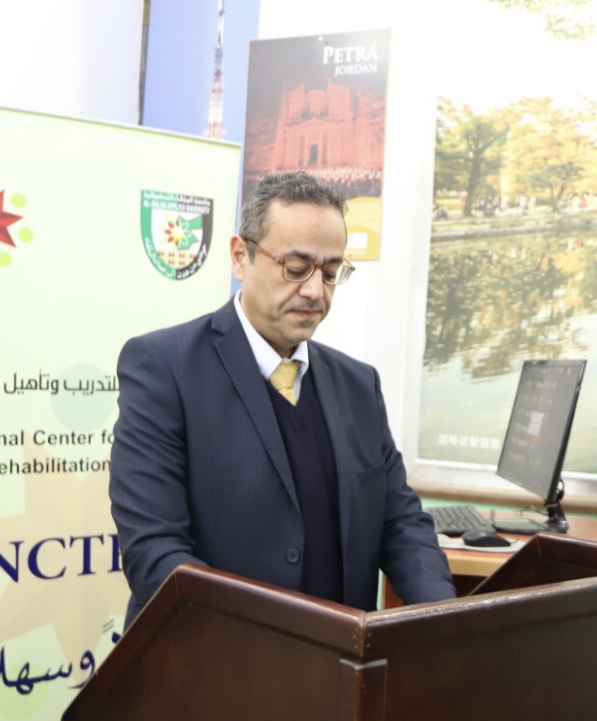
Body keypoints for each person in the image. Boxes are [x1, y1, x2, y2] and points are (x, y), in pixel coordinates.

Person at [109, 171, 456, 627]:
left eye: (330, 273)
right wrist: (275, 649)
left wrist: (444, 621)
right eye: (295, 269)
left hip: (342, 661)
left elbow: (400, 523)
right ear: (241, 256)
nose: (315, 291)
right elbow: (155, 552)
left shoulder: (359, 386)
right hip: (213, 658)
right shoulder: (163, 368)